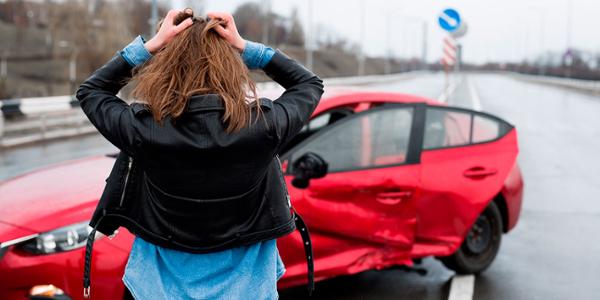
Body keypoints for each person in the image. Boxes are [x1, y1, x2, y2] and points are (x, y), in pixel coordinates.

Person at [76, 9, 323, 300]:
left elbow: (91, 91)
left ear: (166, 67)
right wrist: (245, 47)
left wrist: (151, 46)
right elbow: (309, 84)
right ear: (231, 67)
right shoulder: (264, 126)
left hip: (155, 290)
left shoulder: (143, 129)